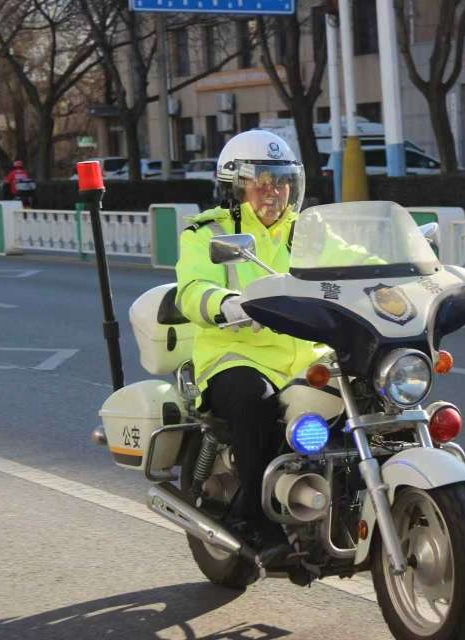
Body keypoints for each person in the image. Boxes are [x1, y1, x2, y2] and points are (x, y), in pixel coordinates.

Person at [175, 130, 324, 551]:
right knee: (256, 400)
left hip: (308, 356)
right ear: (235, 188)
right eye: (260, 182)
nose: (272, 192)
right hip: (236, 354)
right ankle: (255, 518)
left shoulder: (311, 232)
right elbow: (192, 289)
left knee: (371, 391)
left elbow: (360, 261)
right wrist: (228, 304)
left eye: (282, 181)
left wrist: (407, 272)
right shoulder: (208, 232)